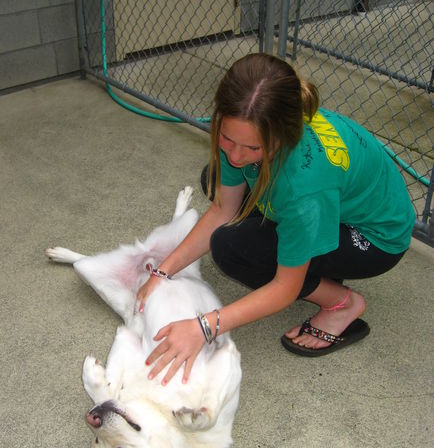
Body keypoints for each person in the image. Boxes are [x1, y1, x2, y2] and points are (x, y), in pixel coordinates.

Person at [137, 52, 415, 386]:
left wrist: (204, 327)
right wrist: (163, 271)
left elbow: (285, 288)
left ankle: (343, 304)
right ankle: (316, 261)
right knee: (217, 181)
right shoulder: (249, 130)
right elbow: (223, 208)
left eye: (252, 149)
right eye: (227, 139)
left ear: (281, 137)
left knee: (232, 249)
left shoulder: (303, 189)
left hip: (376, 239)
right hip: (332, 205)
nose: (236, 155)